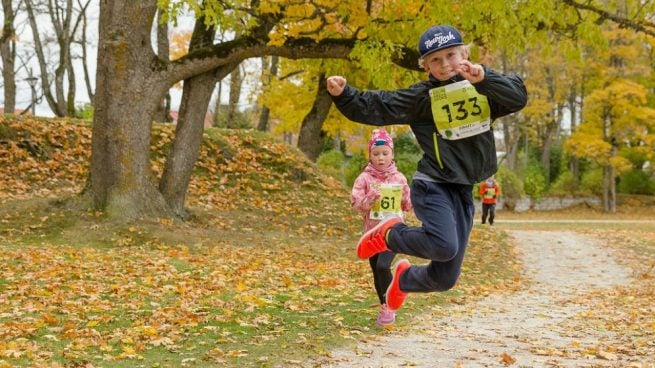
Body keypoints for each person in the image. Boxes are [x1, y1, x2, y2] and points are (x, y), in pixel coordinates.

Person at [326, 25, 527, 315]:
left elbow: (518, 97)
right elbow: (380, 105)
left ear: (464, 54)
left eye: (451, 55)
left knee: (445, 278)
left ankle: (403, 279)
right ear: (426, 66)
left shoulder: (481, 87)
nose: (445, 64)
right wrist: (345, 95)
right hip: (432, 185)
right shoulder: (422, 98)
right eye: (436, 60)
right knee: (444, 246)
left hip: (461, 189)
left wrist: (485, 77)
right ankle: (388, 235)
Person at [351, 129, 412, 327]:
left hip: (393, 231)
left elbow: (407, 203)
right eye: (376, 154)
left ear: (392, 154)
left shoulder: (400, 178)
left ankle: (390, 305)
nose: (380, 158)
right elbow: (356, 203)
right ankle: (385, 307)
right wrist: (370, 199)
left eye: (385, 153)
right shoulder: (364, 179)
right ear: (370, 155)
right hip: (372, 234)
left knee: (383, 266)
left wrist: (413, 202)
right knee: (377, 271)